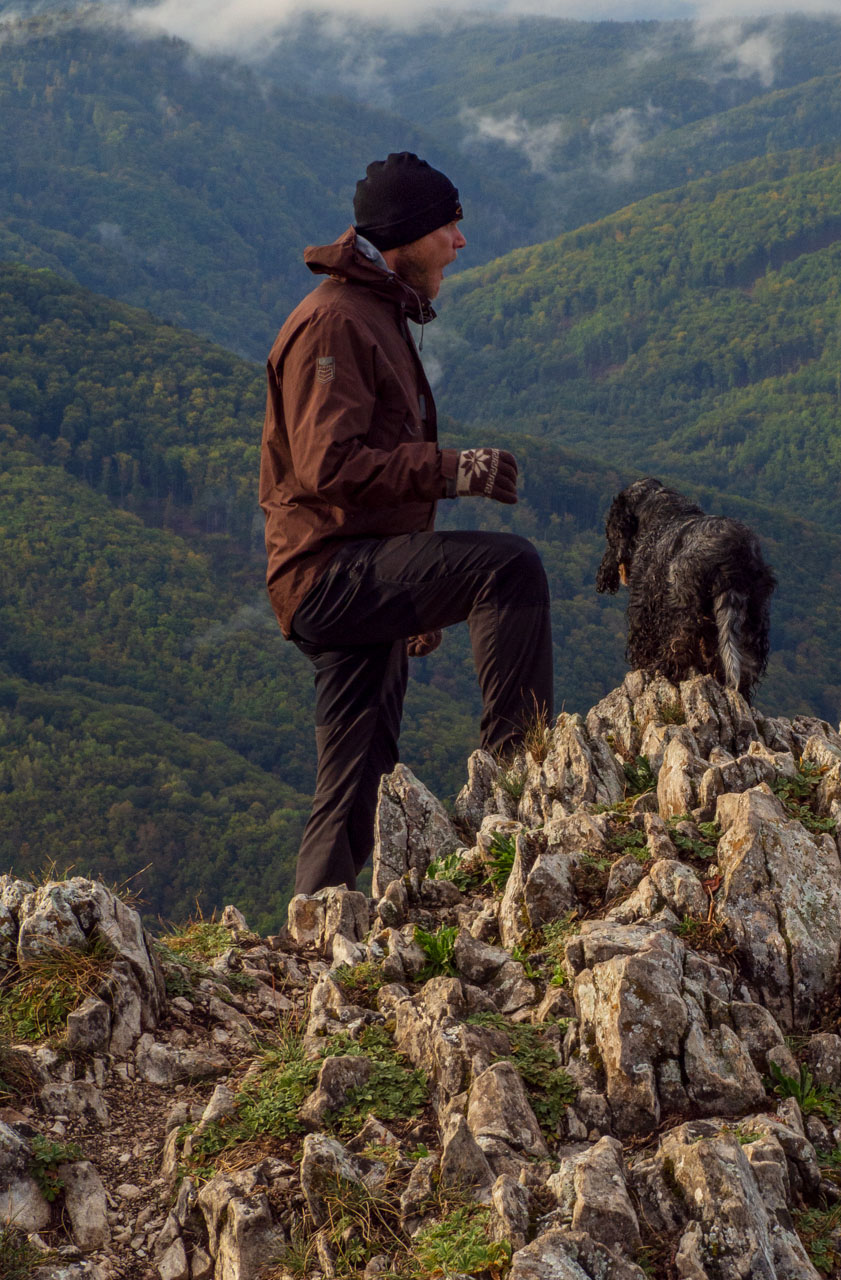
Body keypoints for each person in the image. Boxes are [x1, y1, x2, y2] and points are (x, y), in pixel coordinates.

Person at [260, 152, 554, 896]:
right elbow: (328, 465)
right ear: (407, 235)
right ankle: (517, 779)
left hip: (341, 569)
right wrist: (454, 471)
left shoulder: (370, 310)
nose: (461, 241)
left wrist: (412, 589)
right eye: (449, 224)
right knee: (508, 568)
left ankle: (315, 925)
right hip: (330, 572)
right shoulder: (334, 324)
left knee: (357, 778)